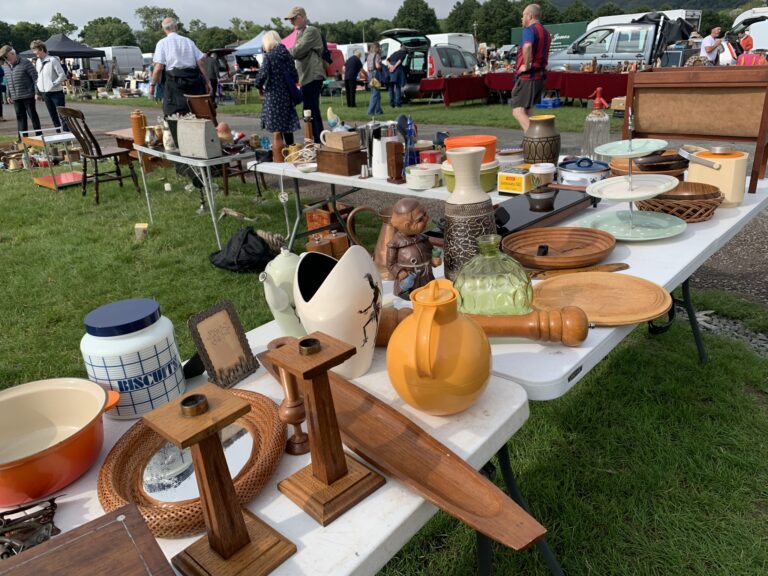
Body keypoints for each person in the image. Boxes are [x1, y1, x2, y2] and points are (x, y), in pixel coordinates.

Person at [148, 17, 211, 116]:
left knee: (172, 113)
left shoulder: (162, 43)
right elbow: (201, 62)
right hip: (193, 81)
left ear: (163, 29)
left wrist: (152, 86)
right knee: (194, 112)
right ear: (176, 27)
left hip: (174, 82)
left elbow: (159, 67)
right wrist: (208, 82)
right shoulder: (188, 41)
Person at [254, 30, 301, 152]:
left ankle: (279, 155)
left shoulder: (269, 56)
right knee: (287, 126)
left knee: (276, 128)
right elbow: (295, 77)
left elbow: (261, 76)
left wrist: (259, 87)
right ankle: (292, 152)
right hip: (286, 95)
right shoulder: (287, 55)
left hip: (273, 96)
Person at [286, 6, 325, 143]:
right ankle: (316, 140)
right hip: (306, 76)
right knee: (309, 111)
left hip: (312, 75)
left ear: (301, 17)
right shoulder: (300, 33)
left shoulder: (311, 31)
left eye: (293, 19)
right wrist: (294, 50)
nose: (291, 22)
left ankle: (318, 141)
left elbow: (296, 52)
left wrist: (286, 51)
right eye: (290, 19)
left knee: (311, 111)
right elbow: (296, 51)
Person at [510, 4, 551, 133]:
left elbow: (527, 46)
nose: (521, 19)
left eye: (523, 15)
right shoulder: (546, 33)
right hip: (539, 76)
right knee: (527, 110)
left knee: (518, 111)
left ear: (530, 16)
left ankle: (536, 139)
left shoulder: (529, 30)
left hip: (528, 77)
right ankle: (534, 141)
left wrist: (526, 65)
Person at [387, 198, 435, 298]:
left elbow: (430, 253)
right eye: (420, 219)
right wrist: (399, 272)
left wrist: (433, 260)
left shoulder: (423, 239)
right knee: (411, 298)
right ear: (408, 225)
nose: (427, 218)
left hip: (426, 278)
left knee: (428, 295)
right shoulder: (395, 244)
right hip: (410, 281)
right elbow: (390, 264)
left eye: (425, 214)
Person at [0, 45, 41, 139]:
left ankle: (39, 136)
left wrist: (37, 92)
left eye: (6, 57)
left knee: (33, 116)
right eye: (3, 58)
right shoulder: (5, 66)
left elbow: (35, 79)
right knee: (20, 117)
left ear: (12, 53)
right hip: (15, 96)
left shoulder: (25, 62)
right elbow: (8, 81)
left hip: (28, 95)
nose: (5, 60)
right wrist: (8, 95)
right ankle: (22, 138)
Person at [30, 40, 68, 132]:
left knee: (62, 115)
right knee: (53, 115)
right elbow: (38, 77)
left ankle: (67, 133)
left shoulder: (52, 60)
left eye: (35, 50)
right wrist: (38, 91)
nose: (34, 53)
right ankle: (58, 134)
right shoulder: (38, 62)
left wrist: (53, 84)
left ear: (41, 49)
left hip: (56, 92)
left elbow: (62, 75)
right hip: (45, 93)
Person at [366, 42, 384, 116]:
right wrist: (381, 66)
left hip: (370, 74)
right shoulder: (377, 55)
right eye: (379, 47)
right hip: (375, 74)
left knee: (376, 93)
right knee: (375, 94)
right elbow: (377, 66)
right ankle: (371, 111)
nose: (380, 49)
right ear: (376, 48)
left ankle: (378, 110)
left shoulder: (369, 55)